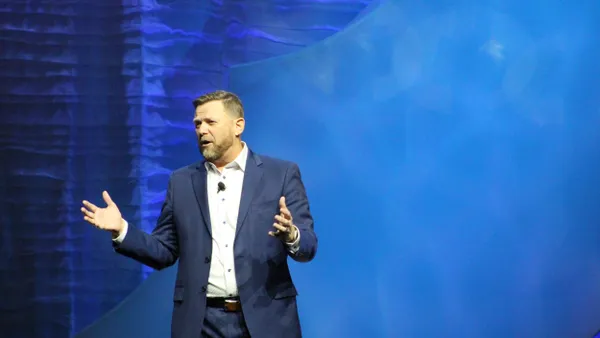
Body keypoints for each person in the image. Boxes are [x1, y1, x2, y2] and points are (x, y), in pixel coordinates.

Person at [80, 90, 318, 338]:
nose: (202, 130)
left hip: (265, 319)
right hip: (202, 323)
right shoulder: (182, 181)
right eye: (197, 124)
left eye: (210, 122)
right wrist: (122, 230)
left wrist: (292, 235)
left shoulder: (280, 174)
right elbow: (164, 251)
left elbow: (308, 246)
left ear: (238, 126)